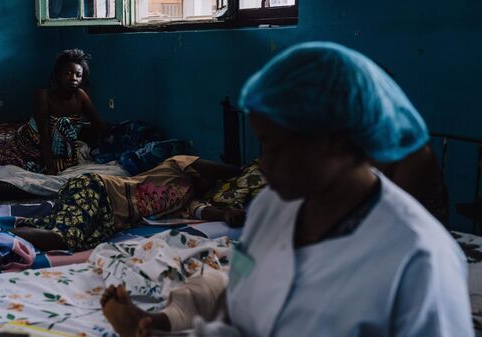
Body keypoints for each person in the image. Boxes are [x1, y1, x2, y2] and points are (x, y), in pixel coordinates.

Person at [100, 42, 474, 337]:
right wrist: (160, 326)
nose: (265, 164)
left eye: (276, 147)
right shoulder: (271, 209)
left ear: (338, 142)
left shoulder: (418, 259)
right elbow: (240, 311)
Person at [10, 155, 266, 252]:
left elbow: (204, 211)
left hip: (109, 216)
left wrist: (226, 214)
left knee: (83, 241)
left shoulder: (188, 201)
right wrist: (245, 171)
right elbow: (223, 168)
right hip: (98, 189)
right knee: (66, 238)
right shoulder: (177, 166)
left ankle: (9, 232)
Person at [0, 49, 111, 175]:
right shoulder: (44, 96)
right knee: (15, 164)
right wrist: (50, 167)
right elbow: (43, 134)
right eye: (68, 73)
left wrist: (114, 142)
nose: (73, 78)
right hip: (31, 144)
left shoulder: (81, 96)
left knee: (64, 135)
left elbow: (97, 123)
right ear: (57, 76)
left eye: (78, 75)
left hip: (61, 150)